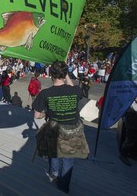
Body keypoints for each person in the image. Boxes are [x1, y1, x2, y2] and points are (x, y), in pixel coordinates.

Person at [32, 60, 89, 194]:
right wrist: (67, 75)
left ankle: (53, 174)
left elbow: (37, 115)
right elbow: (72, 87)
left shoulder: (45, 93)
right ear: (65, 74)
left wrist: (48, 113)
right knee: (68, 159)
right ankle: (63, 186)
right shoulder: (75, 90)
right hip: (72, 129)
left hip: (54, 128)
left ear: (51, 74)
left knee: (54, 153)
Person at [119, 98, 137, 166]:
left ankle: (131, 153)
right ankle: (123, 154)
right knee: (130, 138)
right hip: (132, 114)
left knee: (134, 138)